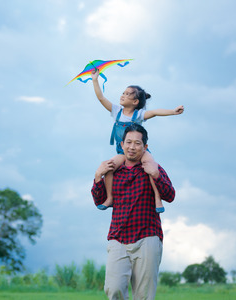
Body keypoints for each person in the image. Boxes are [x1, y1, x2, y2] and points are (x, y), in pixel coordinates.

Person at [91, 124, 175, 300]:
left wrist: (156, 175)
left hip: (147, 236)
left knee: (143, 295)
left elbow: (170, 195)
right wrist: (98, 176)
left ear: (145, 147)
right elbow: (99, 201)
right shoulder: (114, 171)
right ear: (122, 144)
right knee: (113, 289)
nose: (132, 147)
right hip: (118, 237)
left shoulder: (152, 168)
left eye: (137, 143)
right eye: (128, 142)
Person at [92, 68, 183, 213]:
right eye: (123, 92)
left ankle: (157, 199)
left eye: (128, 94)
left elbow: (155, 112)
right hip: (123, 152)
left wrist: (173, 111)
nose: (123, 95)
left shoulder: (139, 114)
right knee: (109, 166)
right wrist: (95, 80)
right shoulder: (116, 111)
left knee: (150, 165)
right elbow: (101, 98)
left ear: (135, 101)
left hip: (141, 151)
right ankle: (110, 198)